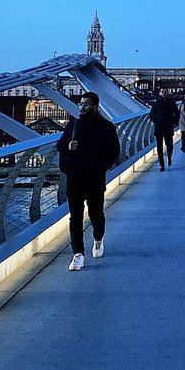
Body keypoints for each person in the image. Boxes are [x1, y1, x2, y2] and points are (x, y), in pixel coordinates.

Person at [57, 91, 121, 271]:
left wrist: (102, 167)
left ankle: (98, 238)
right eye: (80, 104)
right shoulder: (73, 125)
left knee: (96, 214)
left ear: (95, 106)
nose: (82, 107)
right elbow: (60, 145)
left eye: (86, 104)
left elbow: (114, 151)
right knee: (75, 217)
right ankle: (78, 253)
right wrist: (68, 147)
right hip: (75, 177)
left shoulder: (107, 127)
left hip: (95, 178)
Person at [149, 88, 180, 170]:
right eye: (162, 92)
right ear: (159, 93)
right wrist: (156, 121)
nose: (164, 93)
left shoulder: (171, 102)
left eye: (165, 92)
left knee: (169, 145)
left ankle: (169, 157)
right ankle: (162, 165)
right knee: (159, 147)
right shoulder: (156, 103)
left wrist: (174, 121)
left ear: (167, 93)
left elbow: (177, 113)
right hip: (159, 126)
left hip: (168, 126)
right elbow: (151, 115)